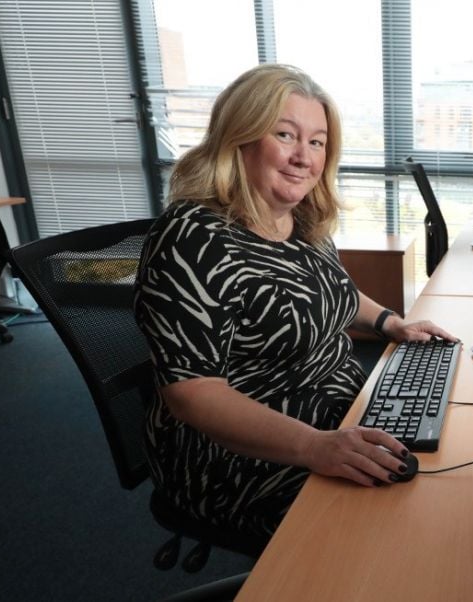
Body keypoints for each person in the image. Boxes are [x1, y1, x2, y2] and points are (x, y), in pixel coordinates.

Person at [133, 64, 456, 540]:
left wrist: (390, 323)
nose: (304, 157)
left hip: (335, 417)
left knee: (450, 474)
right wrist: (314, 447)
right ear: (238, 138)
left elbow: (335, 292)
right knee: (402, 527)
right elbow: (192, 392)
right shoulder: (192, 238)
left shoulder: (301, 221)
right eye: (285, 135)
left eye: (318, 142)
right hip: (238, 453)